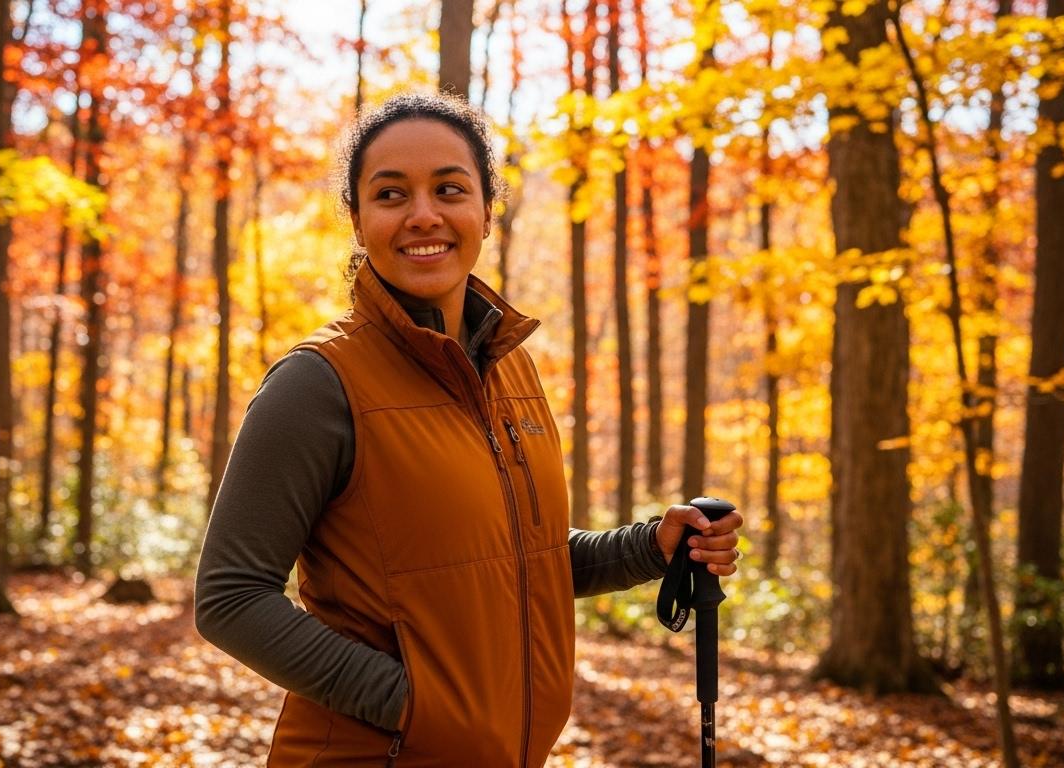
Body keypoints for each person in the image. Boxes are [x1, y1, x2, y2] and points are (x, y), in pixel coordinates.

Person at [194, 91, 743, 767]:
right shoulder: (316, 384)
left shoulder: (509, 371)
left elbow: (513, 557)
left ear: (487, 209)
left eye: (449, 189)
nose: (423, 215)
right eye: (390, 194)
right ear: (359, 220)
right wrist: (415, 704)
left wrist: (649, 548)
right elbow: (230, 598)